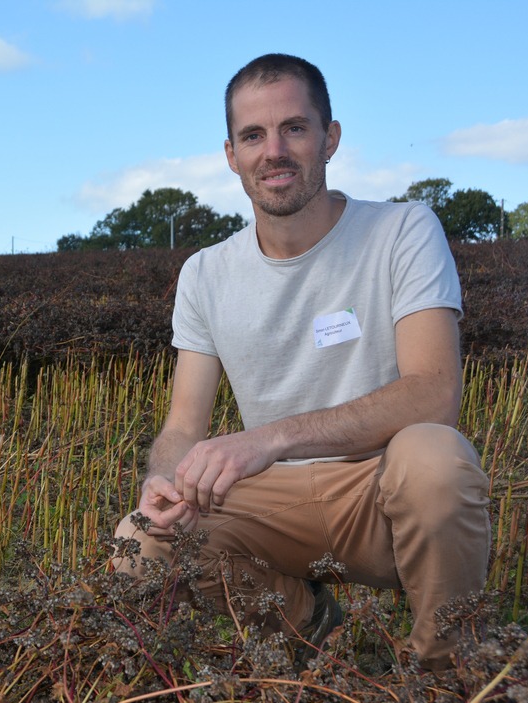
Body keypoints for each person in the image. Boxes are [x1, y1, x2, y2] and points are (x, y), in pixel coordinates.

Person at [111, 53, 490, 672]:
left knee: (435, 458)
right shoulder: (205, 273)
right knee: (138, 543)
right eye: (253, 135)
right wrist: (163, 479)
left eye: (295, 128)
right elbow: (183, 425)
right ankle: (318, 638)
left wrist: (270, 438)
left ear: (330, 138)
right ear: (231, 154)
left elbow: (433, 393)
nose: (274, 151)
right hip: (279, 504)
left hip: (383, 491)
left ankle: (441, 672)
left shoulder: (402, 231)